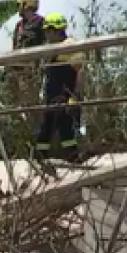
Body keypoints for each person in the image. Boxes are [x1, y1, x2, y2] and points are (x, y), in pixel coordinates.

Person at [35, 12, 85, 163]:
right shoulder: (53, 48)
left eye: (48, 31)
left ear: (56, 30)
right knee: (47, 126)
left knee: (65, 127)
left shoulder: (70, 46)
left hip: (65, 95)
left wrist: (75, 97)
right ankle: (40, 158)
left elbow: (80, 72)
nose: (46, 35)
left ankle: (74, 157)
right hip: (52, 96)